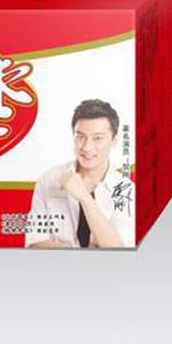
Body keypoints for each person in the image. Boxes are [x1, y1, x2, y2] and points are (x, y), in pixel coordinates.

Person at [25, 99, 135, 249]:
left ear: (114, 140)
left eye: (97, 138)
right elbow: (34, 244)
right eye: (80, 137)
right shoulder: (49, 180)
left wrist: (84, 197)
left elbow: (119, 250)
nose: (87, 147)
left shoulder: (127, 190)